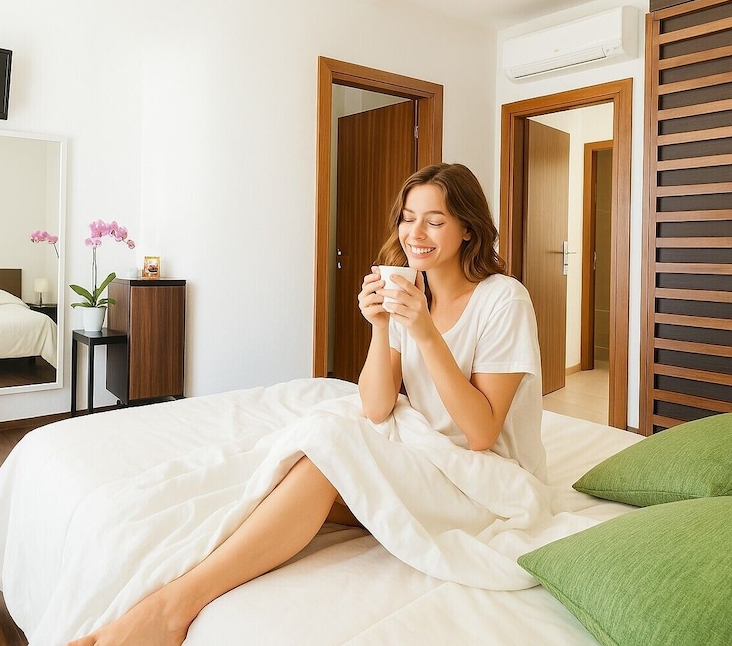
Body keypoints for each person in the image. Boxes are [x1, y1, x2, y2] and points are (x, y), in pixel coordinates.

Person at [68, 163, 543, 646]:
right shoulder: (413, 293)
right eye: (407, 217)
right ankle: (188, 581)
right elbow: (377, 407)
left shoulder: (503, 300)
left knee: (328, 450)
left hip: (487, 483)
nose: (415, 233)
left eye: (435, 221)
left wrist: (423, 332)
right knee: (314, 458)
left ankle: (173, 609)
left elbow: (481, 433)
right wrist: (381, 326)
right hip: (432, 459)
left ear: (468, 229)